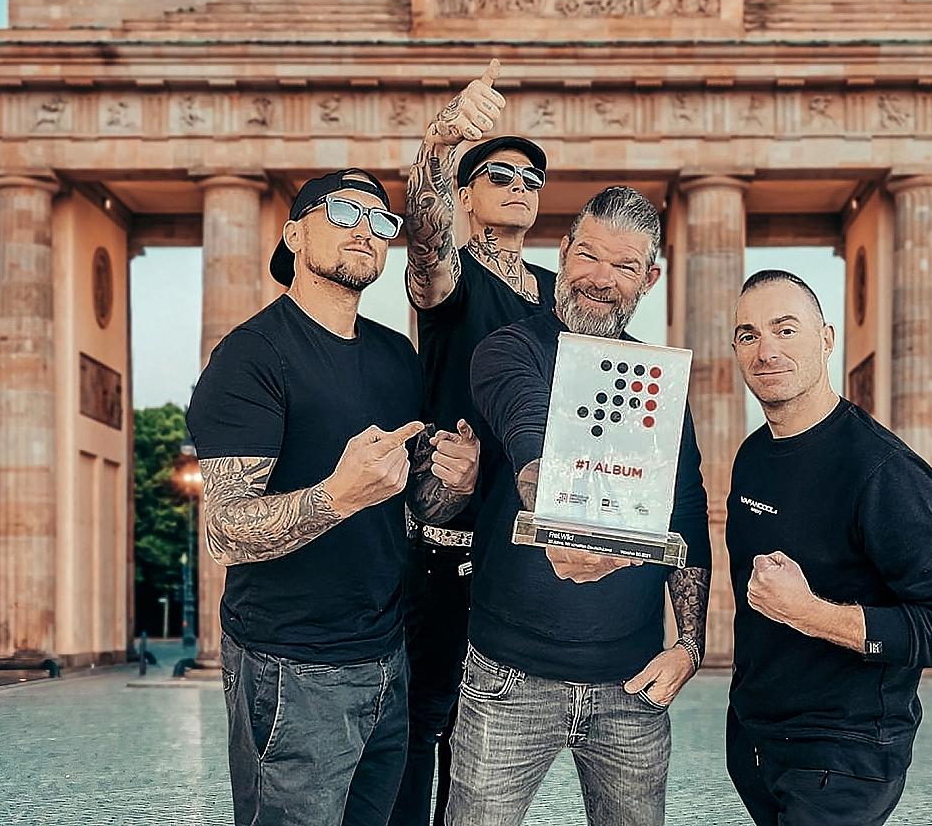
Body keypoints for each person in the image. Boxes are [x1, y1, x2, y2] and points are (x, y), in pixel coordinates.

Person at [186, 169, 481, 826]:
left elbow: (416, 504)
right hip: (290, 665)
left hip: (387, 655)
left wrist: (453, 484)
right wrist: (336, 496)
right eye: (345, 211)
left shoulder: (395, 356)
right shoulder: (251, 356)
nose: (365, 230)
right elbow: (226, 531)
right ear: (294, 234)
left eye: (381, 222)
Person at [446, 186, 712, 826]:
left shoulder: (659, 383)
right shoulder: (509, 349)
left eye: (624, 266)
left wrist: (690, 646)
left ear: (649, 279)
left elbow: (686, 513)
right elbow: (529, 426)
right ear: (563, 252)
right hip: (507, 680)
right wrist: (561, 521)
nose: (601, 278)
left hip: (632, 688)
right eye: (588, 255)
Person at [724, 269, 932, 826]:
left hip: (846, 754)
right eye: (749, 335)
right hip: (757, 744)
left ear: (826, 338)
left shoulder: (884, 471)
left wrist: (809, 612)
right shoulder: (751, 456)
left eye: (785, 329)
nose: (766, 351)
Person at [390, 59, 556, 826]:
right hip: (443, 540)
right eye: (500, 174)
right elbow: (424, 237)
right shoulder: (450, 277)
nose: (520, 185)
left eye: (532, 178)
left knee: (486, 732)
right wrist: (441, 143)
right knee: (422, 719)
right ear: (464, 194)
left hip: (517, 540)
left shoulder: (556, 294)